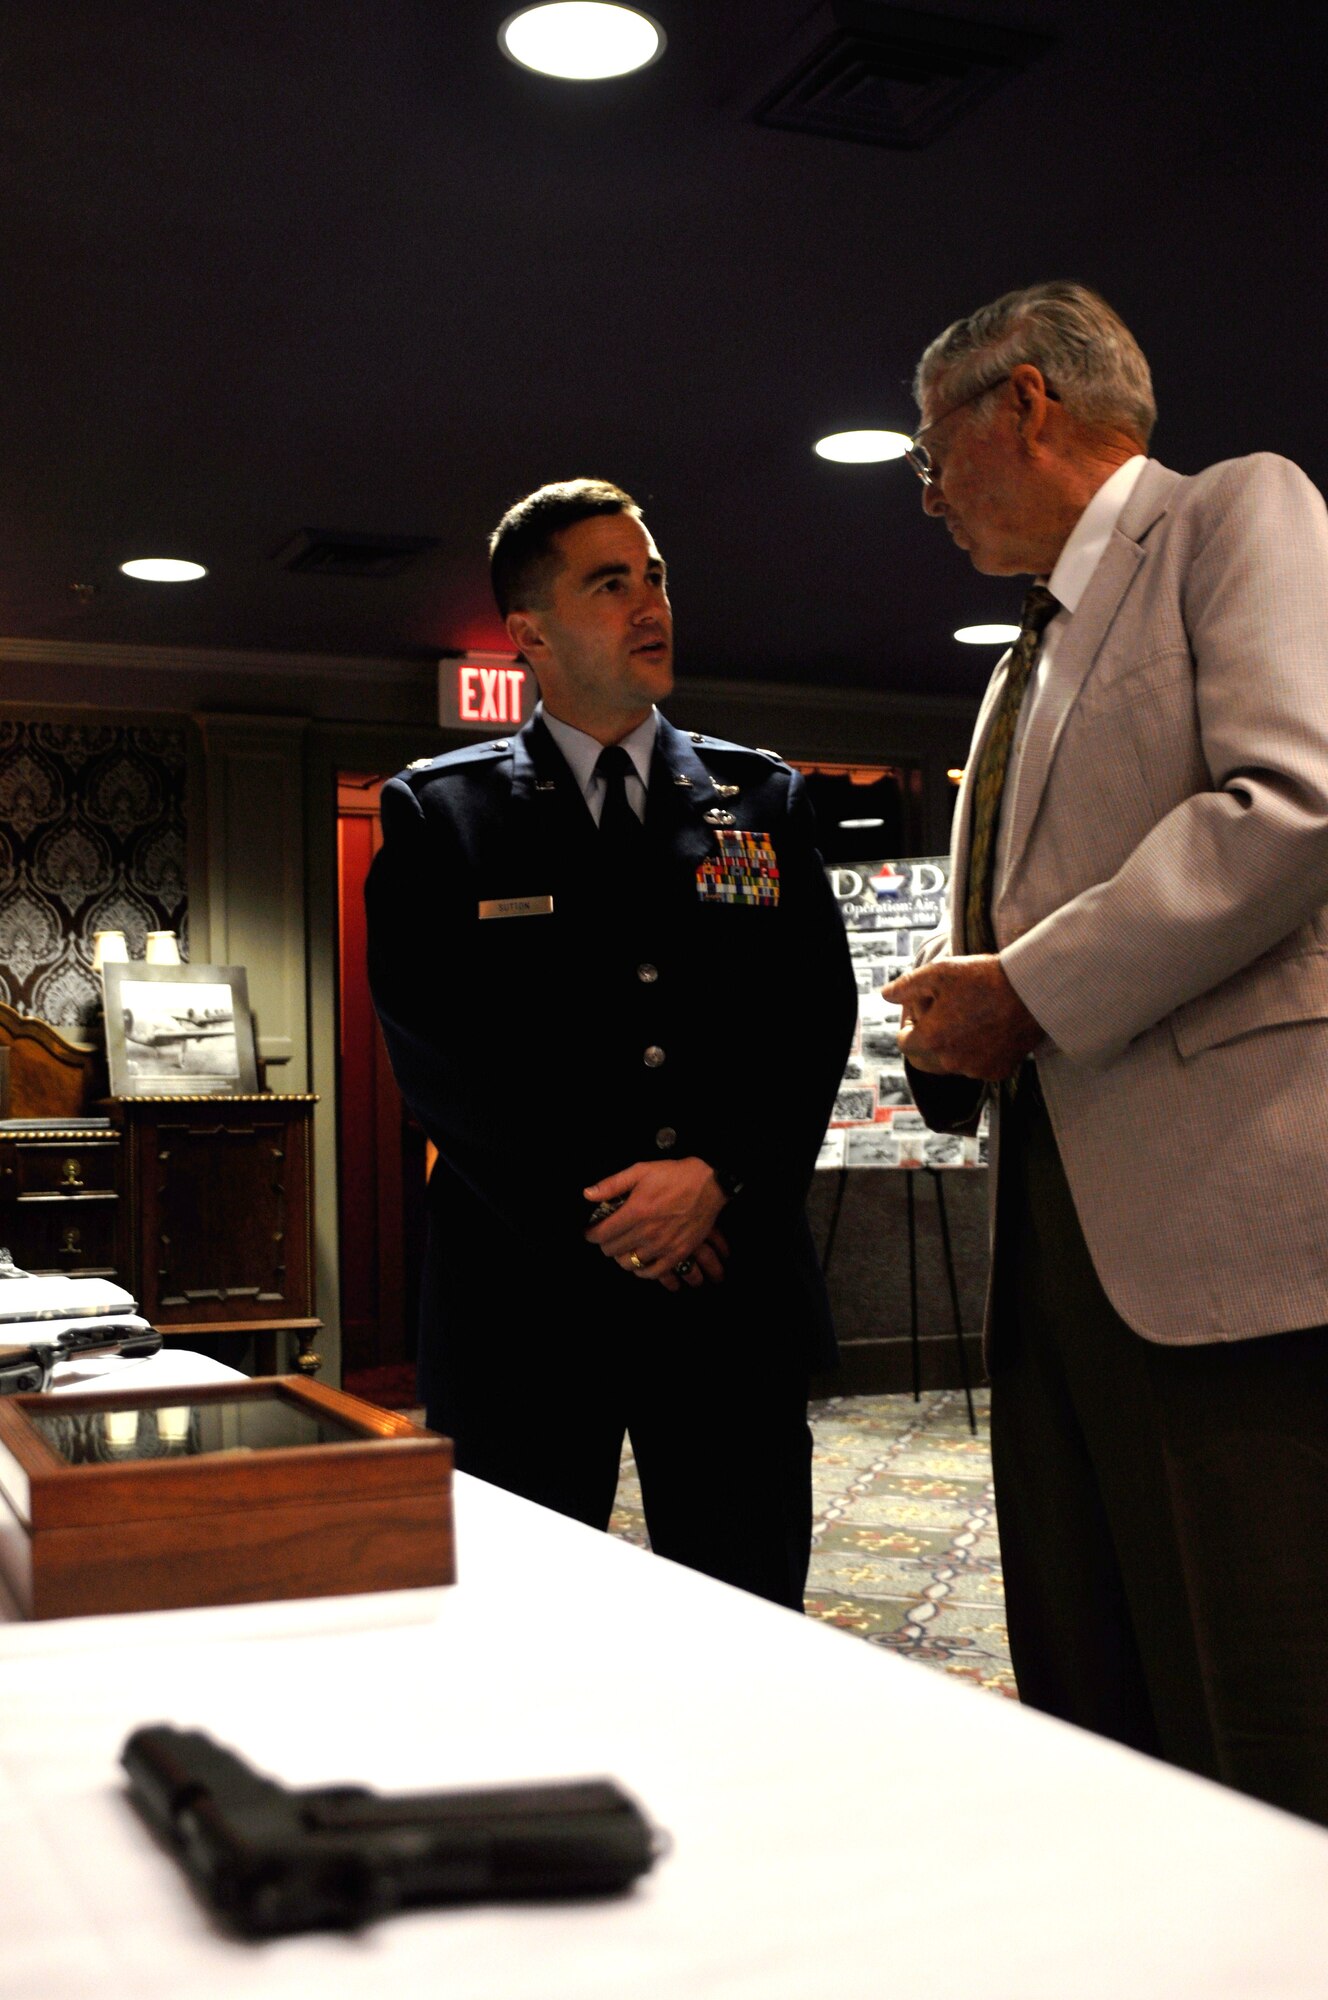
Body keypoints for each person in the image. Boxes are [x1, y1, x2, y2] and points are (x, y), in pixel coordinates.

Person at [884, 281, 1328, 1824]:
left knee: (1262, 1695)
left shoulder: (1233, 515)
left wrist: (1028, 990)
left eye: (929, 451)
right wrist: (969, 1018)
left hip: (1227, 1228)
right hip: (1051, 1228)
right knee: (1096, 1686)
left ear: (1024, 401)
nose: (927, 493)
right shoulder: (1020, 660)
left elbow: (1291, 805)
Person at [366, 478, 857, 1609]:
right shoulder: (443, 815)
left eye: (655, 577)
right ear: (529, 633)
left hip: (727, 1285)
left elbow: (810, 1021)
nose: (650, 605)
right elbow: (441, 1064)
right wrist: (616, 1219)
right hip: (524, 1300)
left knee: (747, 1616)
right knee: (526, 1626)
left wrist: (717, 1178)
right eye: (609, 583)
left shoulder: (758, 798)